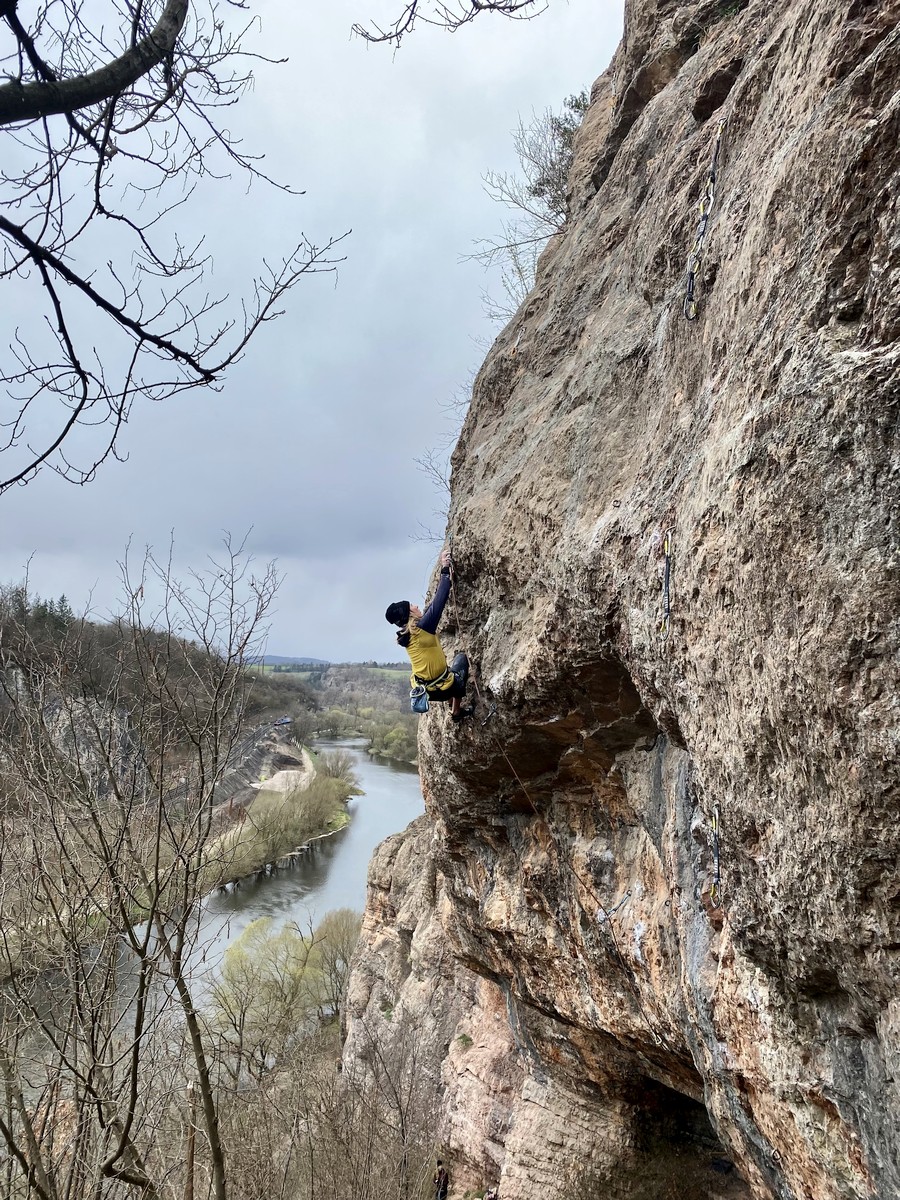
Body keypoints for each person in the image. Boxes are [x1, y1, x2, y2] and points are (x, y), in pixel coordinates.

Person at [386, 550, 472, 722]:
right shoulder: (424, 627)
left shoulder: (406, 635)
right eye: (412, 606)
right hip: (443, 688)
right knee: (461, 661)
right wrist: (445, 568)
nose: (417, 605)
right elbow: (440, 599)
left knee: (445, 670)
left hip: (426, 690)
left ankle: (449, 701)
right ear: (410, 614)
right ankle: (456, 712)